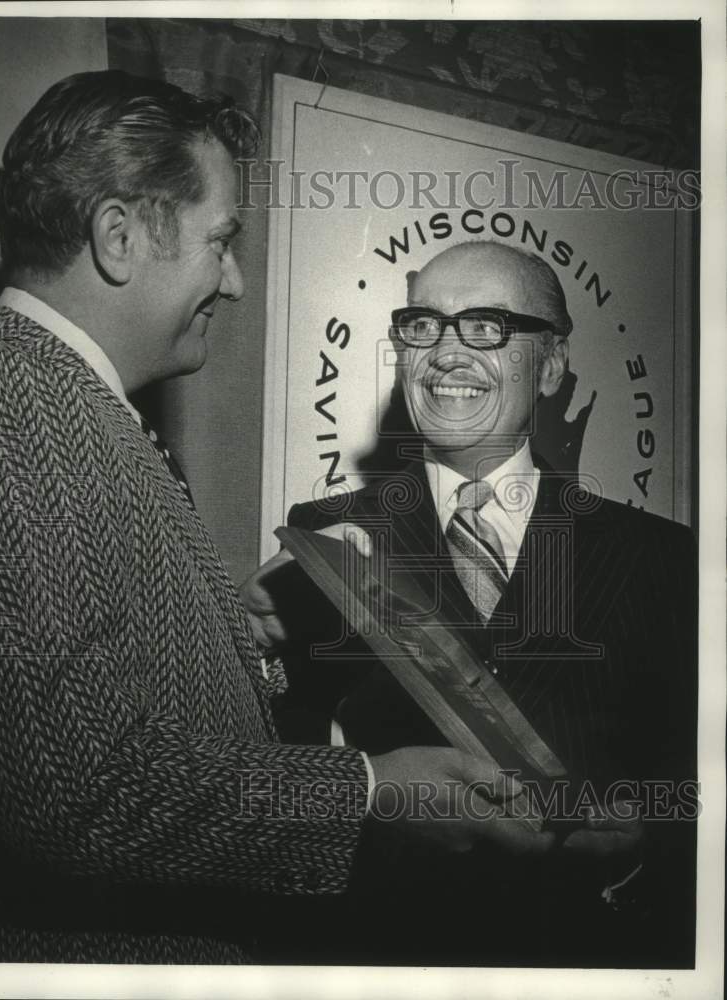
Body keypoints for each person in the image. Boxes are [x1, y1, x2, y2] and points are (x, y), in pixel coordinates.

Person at [0, 73, 554, 965]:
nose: (236, 282)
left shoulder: (58, 403)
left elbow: (105, 710)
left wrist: (245, 643)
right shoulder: (25, 407)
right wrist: (367, 793)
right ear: (120, 238)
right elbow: (71, 791)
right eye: (221, 241)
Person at [281, 241, 698, 967]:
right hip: (386, 958)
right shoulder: (326, 536)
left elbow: (692, 790)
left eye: (485, 327)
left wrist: (638, 861)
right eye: (422, 326)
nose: (446, 353)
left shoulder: (661, 557)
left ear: (553, 364)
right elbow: (285, 760)